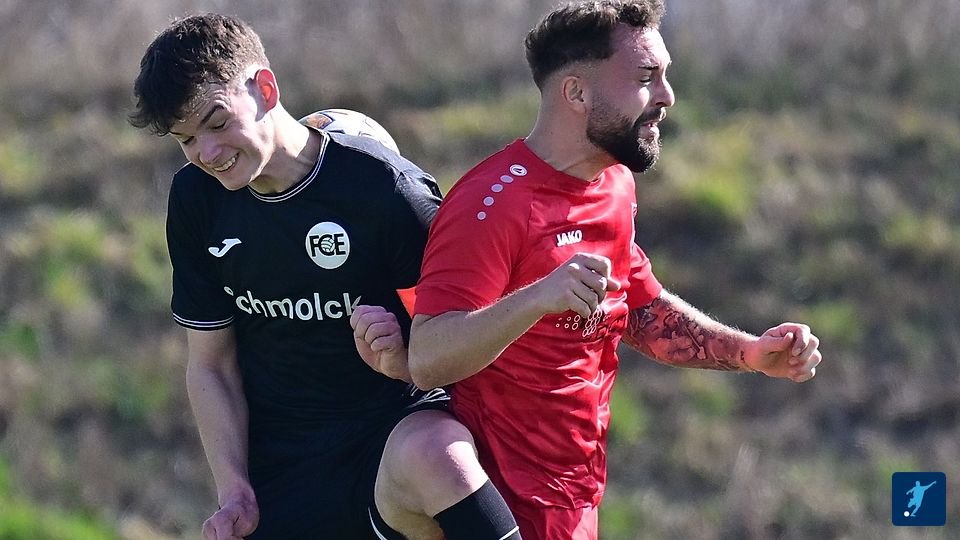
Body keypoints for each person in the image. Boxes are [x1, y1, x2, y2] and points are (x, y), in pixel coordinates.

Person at [407, 1, 823, 538]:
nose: (667, 97)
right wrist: (536, 298)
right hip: (505, 506)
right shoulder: (490, 204)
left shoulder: (614, 185)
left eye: (665, 76)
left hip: (578, 499)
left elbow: (641, 310)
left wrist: (751, 353)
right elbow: (428, 359)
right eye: (646, 79)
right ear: (576, 93)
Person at [129, 13, 521, 540]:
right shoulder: (196, 200)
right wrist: (234, 489)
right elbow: (211, 365)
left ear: (265, 89)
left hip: (393, 433)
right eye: (186, 140)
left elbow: (461, 336)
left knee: (439, 457)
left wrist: (404, 353)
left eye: (217, 123)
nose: (208, 154)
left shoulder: (385, 189)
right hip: (284, 464)